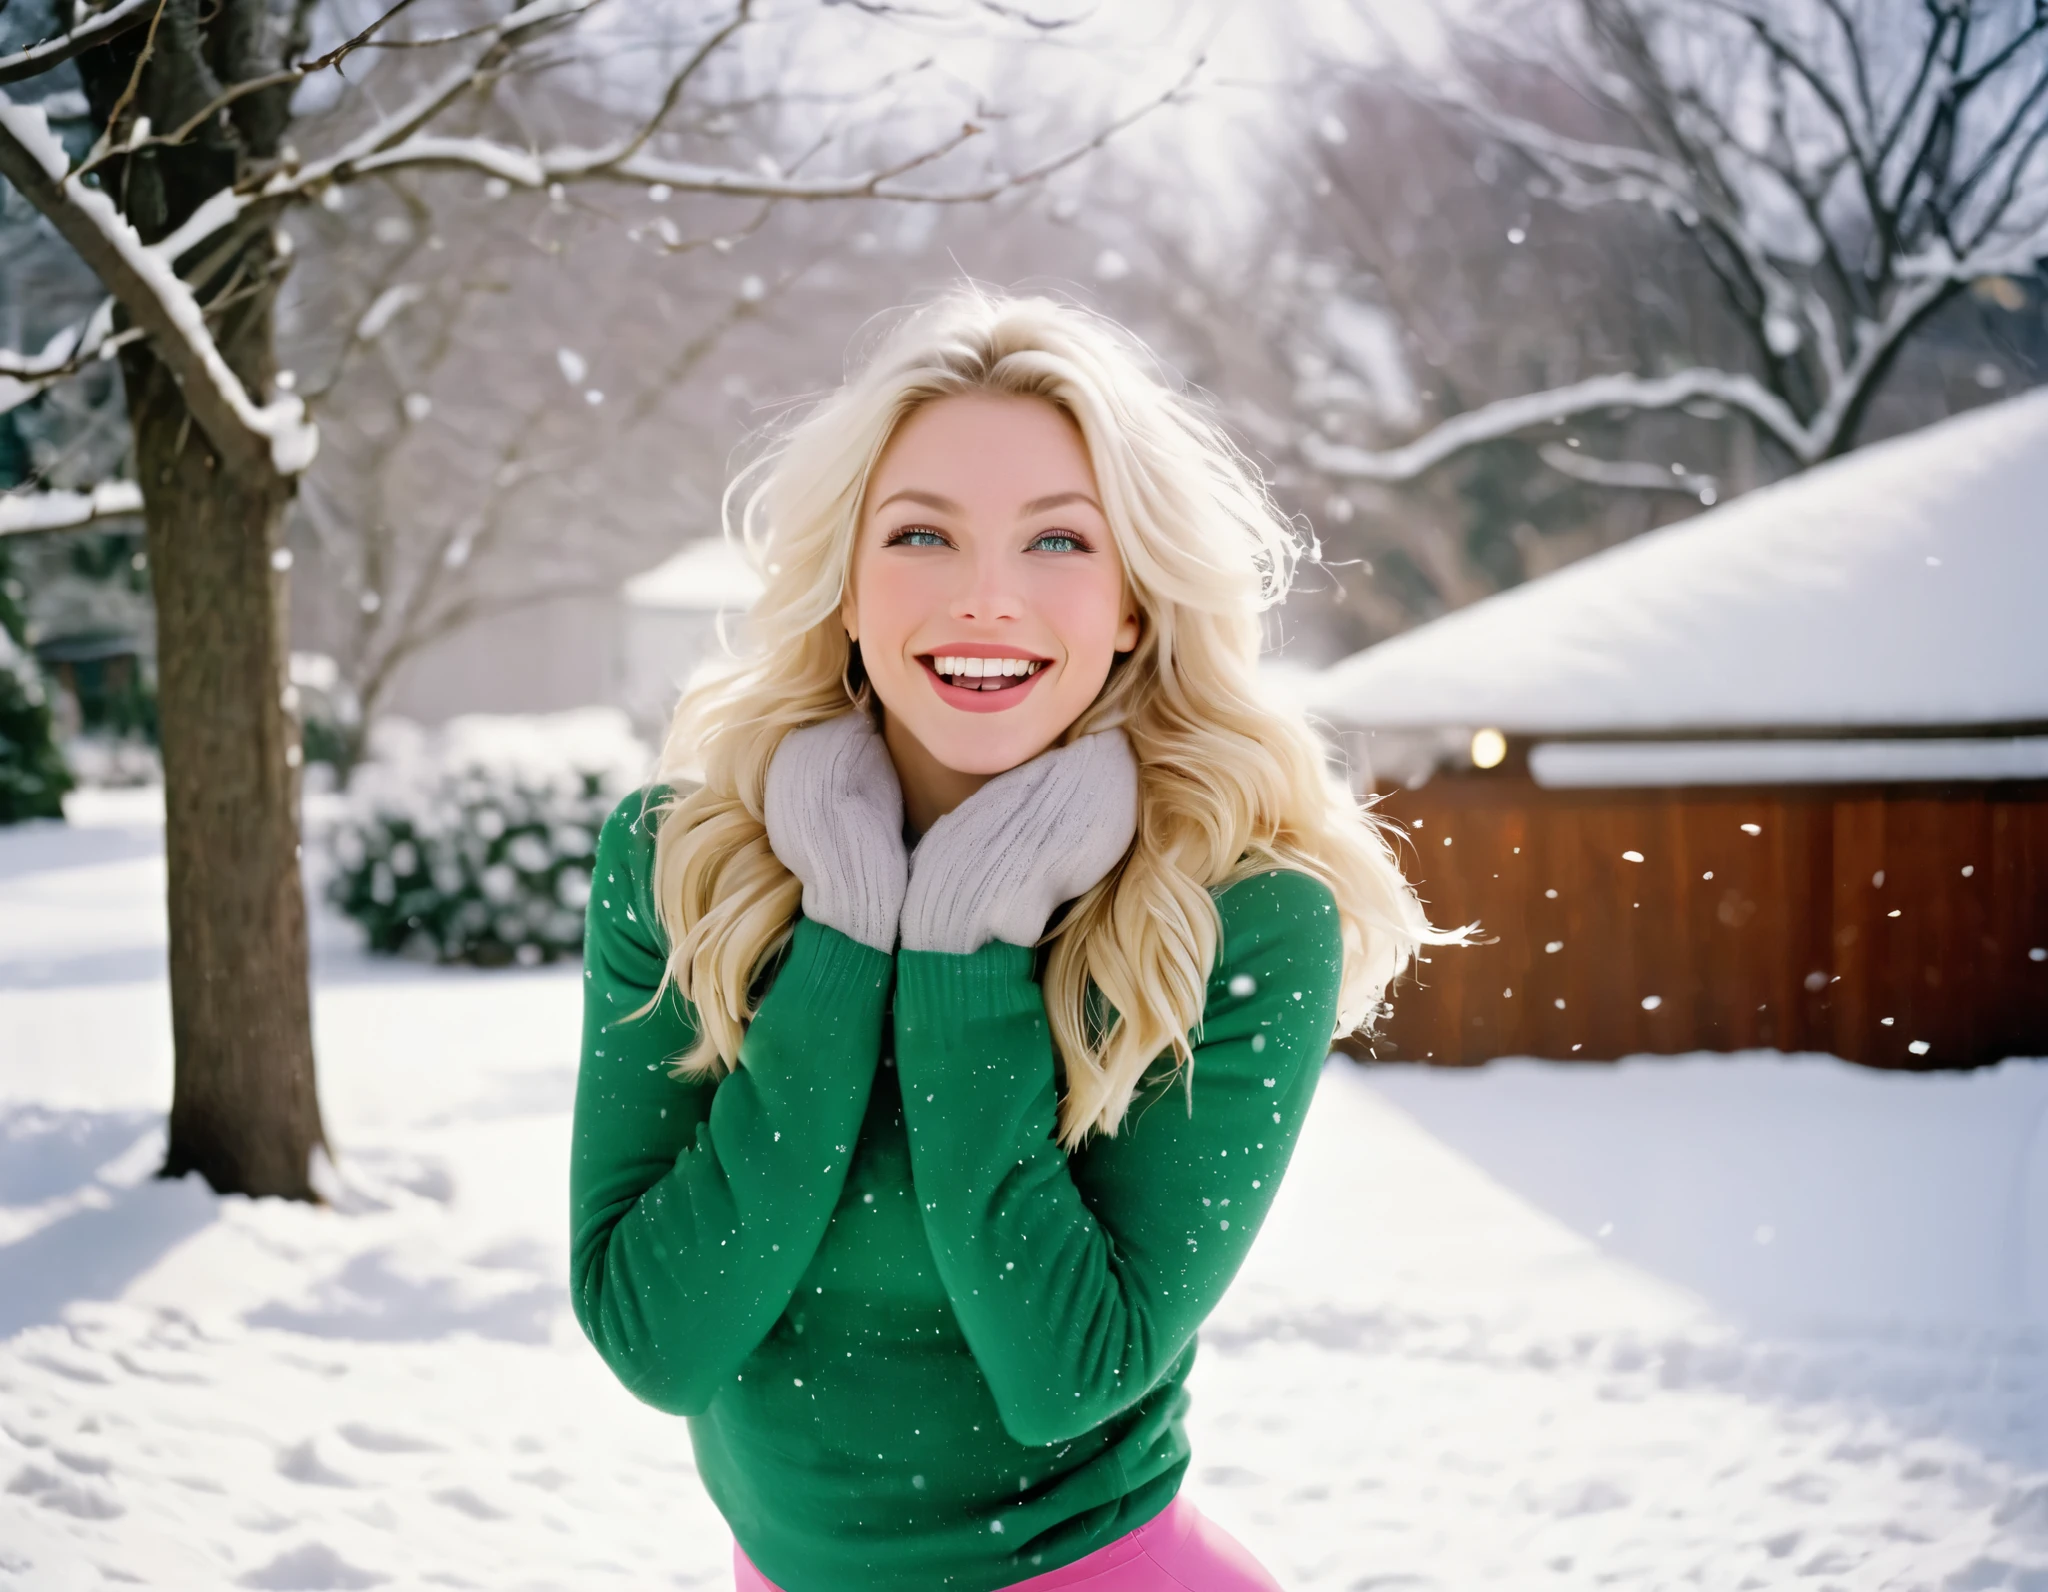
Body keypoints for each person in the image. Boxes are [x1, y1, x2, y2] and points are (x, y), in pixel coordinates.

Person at [569, 288, 1441, 1592]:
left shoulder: (1246, 917)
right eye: (922, 535)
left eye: (1058, 544)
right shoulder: (685, 867)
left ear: (1137, 604)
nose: (986, 600)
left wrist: (962, 950)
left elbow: (1069, 1373)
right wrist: (850, 933)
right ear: (847, 588)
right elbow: (657, 1339)